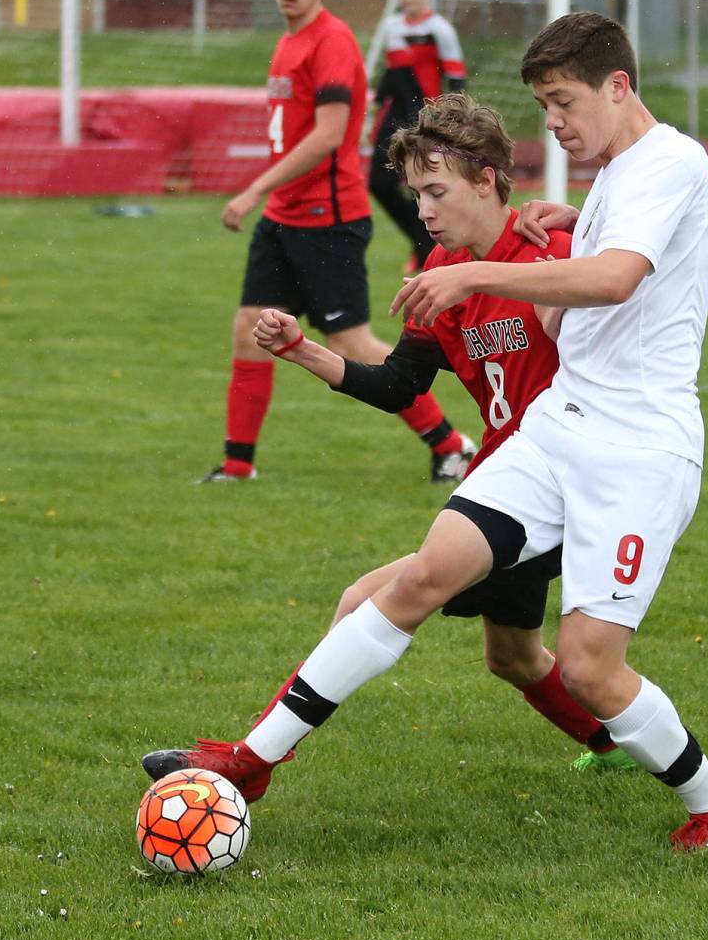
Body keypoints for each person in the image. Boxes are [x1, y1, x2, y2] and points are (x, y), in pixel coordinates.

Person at [144, 13, 708, 851]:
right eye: (543, 107)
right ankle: (251, 759)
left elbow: (616, 279)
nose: (555, 123)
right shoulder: (616, 171)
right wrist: (570, 213)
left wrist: (477, 266)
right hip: (557, 424)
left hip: (639, 443)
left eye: (563, 102)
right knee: (418, 576)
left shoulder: (671, 159)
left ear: (619, 85)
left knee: (585, 664)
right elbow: (582, 261)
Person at [146, 92, 634, 795]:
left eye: (435, 191)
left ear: (487, 180)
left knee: (367, 598)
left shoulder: (554, 257)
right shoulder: (443, 269)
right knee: (513, 655)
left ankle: (247, 762)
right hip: (507, 478)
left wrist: (580, 225)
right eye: (415, 194)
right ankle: (612, 742)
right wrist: (303, 350)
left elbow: (633, 282)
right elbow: (400, 382)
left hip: (566, 483)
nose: (424, 209)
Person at [201, 0, 473, 484]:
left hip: (328, 221)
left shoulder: (332, 42)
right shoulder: (288, 41)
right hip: (285, 219)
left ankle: (450, 444)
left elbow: (328, 136)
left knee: (352, 343)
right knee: (249, 326)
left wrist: (253, 190)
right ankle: (237, 467)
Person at [369, 0, 466, 273]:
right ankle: (420, 241)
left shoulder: (441, 29)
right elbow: (392, 75)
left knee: (427, 184)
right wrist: (373, 107)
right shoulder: (392, 27)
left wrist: (451, 119)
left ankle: (434, 248)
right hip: (395, 116)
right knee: (377, 182)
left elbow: (456, 78)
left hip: (425, 117)